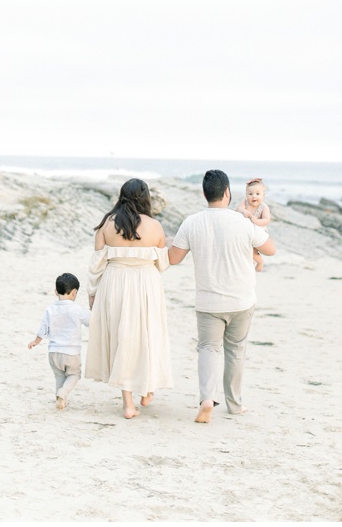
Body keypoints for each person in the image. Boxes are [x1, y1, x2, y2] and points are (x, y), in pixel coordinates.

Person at [168, 169, 276, 424]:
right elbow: (270, 249)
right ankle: (235, 404)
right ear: (227, 193)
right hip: (242, 300)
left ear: (205, 194)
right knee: (236, 350)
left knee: (208, 348)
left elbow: (174, 258)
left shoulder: (192, 222)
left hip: (208, 303)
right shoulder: (242, 222)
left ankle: (207, 399)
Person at [84, 178, 173, 419]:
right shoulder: (155, 226)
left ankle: (128, 404)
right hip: (146, 284)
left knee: (123, 339)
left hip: (115, 283)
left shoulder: (107, 224)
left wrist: (92, 295)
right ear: (145, 198)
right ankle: (147, 390)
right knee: (148, 335)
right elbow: (163, 263)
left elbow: (95, 267)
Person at [27, 273, 90, 410]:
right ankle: (63, 393)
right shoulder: (76, 309)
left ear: (56, 291)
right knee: (74, 374)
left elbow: (43, 328)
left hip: (54, 352)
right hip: (71, 352)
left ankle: (60, 399)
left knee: (59, 376)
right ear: (74, 293)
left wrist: (36, 341)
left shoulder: (50, 309)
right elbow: (90, 322)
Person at [236, 177, 271, 271]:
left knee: (253, 249)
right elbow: (238, 209)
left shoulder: (264, 207)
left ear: (263, 195)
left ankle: (260, 262)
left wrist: (256, 221)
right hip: (245, 229)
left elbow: (266, 220)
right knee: (243, 247)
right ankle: (250, 261)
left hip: (259, 230)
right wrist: (243, 211)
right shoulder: (245, 202)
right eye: (250, 194)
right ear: (246, 194)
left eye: (258, 194)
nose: (254, 196)